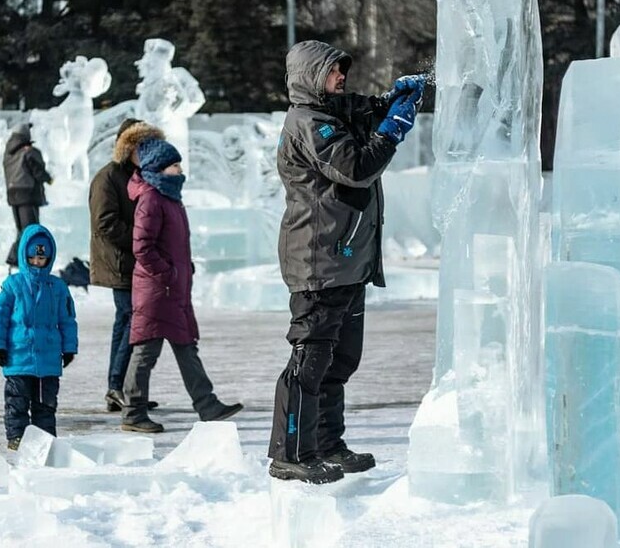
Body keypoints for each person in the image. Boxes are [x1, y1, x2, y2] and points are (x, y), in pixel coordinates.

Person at [267, 40, 425, 484]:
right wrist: (391, 130)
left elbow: (362, 111)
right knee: (310, 360)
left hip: (346, 260)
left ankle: (327, 444)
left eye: (342, 70)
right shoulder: (309, 122)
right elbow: (356, 167)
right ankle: (290, 452)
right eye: (334, 72)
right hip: (319, 261)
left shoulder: (332, 112)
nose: (342, 78)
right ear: (313, 77)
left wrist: (389, 101)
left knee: (339, 361)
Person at [121, 138, 243, 433]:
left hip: (171, 289)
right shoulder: (152, 198)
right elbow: (142, 247)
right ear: (159, 169)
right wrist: (168, 274)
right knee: (146, 350)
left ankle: (207, 404)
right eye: (174, 165)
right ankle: (133, 412)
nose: (180, 170)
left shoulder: (168, 197)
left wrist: (183, 269)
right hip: (156, 291)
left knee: (187, 346)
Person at [89, 117, 165, 412]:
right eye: (139, 145)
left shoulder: (143, 175)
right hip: (121, 263)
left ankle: (124, 388)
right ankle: (118, 386)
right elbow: (104, 223)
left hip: (139, 263)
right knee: (131, 321)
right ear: (126, 147)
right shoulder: (108, 177)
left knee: (130, 323)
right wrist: (140, 242)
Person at [0, 223, 78, 450]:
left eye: (42, 259)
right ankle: (16, 438)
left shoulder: (57, 287)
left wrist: (69, 348)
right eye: (33, 259)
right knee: (17, 403)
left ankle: (45, 440)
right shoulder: (12, 285)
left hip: (48, 360)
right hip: (18, 358)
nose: (38, 264)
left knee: (45, 404)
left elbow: (68, 319)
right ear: (24, 256)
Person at [3, 122, 53, 267]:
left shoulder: (8, 153)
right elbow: (38, 171)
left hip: (13, 195)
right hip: (28, 194)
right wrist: (50, 179)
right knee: (32, 230)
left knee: (22, 230)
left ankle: (18, 259)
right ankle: (26, 260)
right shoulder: (29, 151)